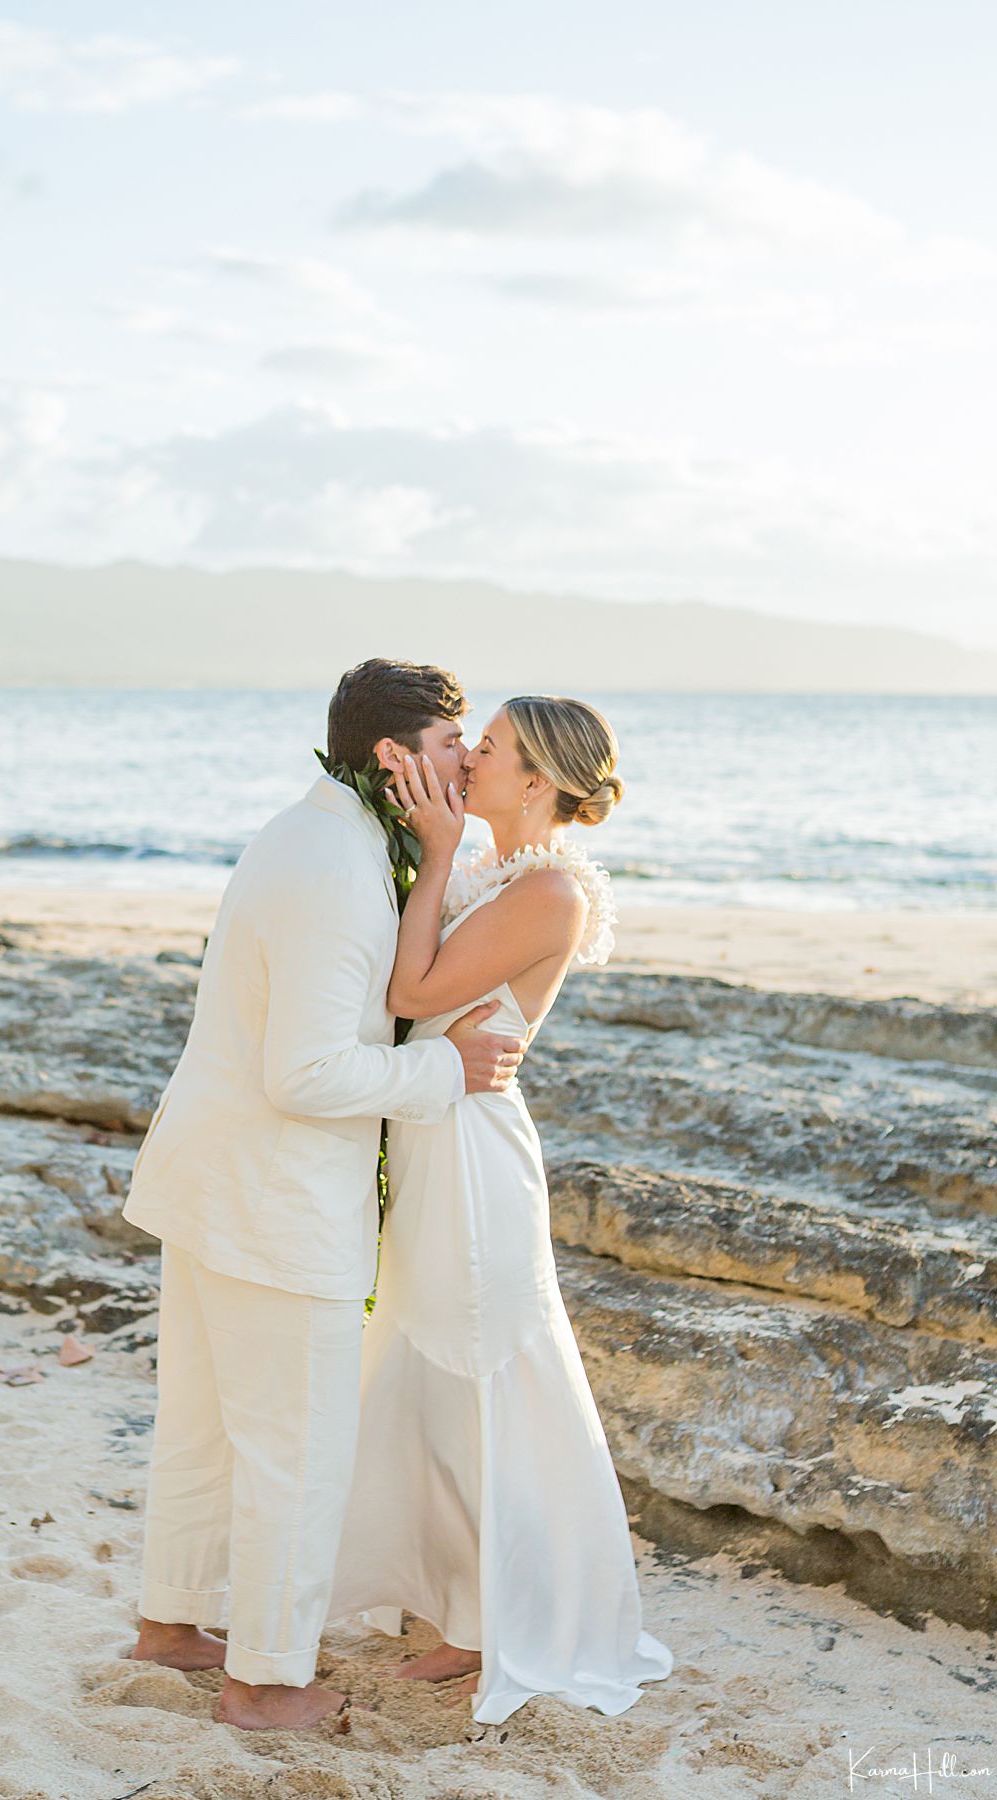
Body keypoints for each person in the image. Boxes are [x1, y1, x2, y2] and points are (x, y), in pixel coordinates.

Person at [121, 659, 528, 1732]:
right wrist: (448, 1073)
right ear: (395, 758)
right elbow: (304, 1074)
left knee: (204, 1425)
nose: (468, 765)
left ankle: (170, 1626)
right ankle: (263, 1681)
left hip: (209, 1179)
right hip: (272, 1201)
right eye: (452, 748)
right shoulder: (343, 868)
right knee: (297, 1447)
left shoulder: (303, 828)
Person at [328, 695, 674, 1725]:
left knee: (491, 1374)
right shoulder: (497, 872)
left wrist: (433, 847)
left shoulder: (554, 892)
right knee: (432, 1380)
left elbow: (412, 985)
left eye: (492, 748)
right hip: (434, 1134)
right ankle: (469, 1617)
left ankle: (523, 1624)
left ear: (537, 782)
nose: (470, 757)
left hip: (476, 1151)